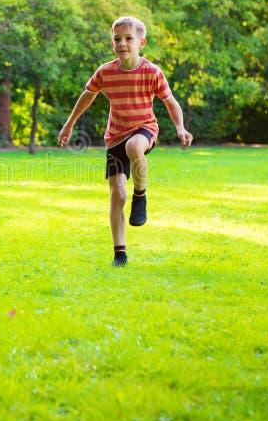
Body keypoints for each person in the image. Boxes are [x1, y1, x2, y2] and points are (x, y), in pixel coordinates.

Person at [58, 16, 192, 267]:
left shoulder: (152, 72)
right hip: (115, 136)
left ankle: (140, 194)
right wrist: (69, 124)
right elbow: (88, 95)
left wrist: (180, 128)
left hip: (145, 129)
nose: (122, 43)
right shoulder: (106, 72)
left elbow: (170, 102)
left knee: (133, 146)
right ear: (112, 44)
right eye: (117, 39)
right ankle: (120, 253)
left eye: (128, 39)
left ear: (141, 42)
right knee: (117, 194)